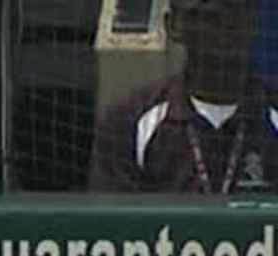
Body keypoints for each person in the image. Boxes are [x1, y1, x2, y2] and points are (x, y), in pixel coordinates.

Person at [92, 0, 277, 193]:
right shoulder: (127, 121)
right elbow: (119, 220)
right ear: (173, 26)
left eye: (232, 8)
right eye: (205, 13)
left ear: (253, 22)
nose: (221, 23)